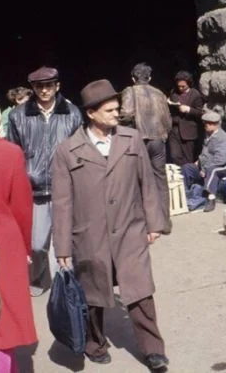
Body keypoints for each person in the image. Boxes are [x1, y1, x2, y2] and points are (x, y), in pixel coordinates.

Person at [51, 79, 169, 370]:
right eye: (110, 110)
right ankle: (95, 343)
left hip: (130, 229)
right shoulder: (68, 151)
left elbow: (148, 185)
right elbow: (62, 203)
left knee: (140, 291)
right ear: (91, 113)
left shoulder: (131, 139)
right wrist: (62, 246)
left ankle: (153, 350)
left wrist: (155, 222)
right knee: (93, 295)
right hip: (89, 235)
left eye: (117, 109)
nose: (118, 114)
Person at [7, 67, 83, 297]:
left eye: (49, 85)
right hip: (34, 188)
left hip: (65, 187)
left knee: (66, 242)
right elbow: (14, 152)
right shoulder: (18, 116)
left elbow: (80, 150)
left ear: (57, 86)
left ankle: (66, 287)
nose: (44, 90)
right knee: (38, 244)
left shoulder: (72, 113)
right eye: (39, 86)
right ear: (33, 88)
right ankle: (38, 274)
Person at [0, 136, 37, 371]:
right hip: (3, 245)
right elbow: (22, 206)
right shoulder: (9, 153)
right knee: (2, 323)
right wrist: (25, 248)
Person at [120, 63, 173, 234]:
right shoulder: (160, 93)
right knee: (160, 180)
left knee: (136, 180)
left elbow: (126, 113)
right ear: (149, 78)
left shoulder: (130, 91)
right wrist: (163, 135)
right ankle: (165, 223)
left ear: (133, 78)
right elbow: (168, 120)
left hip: (139, 138)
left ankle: (144, 223)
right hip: (159, 139)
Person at [181, 111, 226, 213]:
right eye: (205, 122)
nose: (206, 125)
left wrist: (205, 169)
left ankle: (211, 198)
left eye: (209, 123)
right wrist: (199, 163)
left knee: (212, 170)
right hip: (206, 166)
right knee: (187, 168)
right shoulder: (208, 135)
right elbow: (205, 153)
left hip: (224, 166)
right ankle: (186, 195)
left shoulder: (223, 138)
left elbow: (220, 160)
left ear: (216, 124)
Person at [167, 71, 204, 166]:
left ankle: (188, 176)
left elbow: (200, 113)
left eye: (183, 86)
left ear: (189, 84)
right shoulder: (173, 92)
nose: (180, 88)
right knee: (174, 155)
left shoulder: (195, 94)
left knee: (188, 157)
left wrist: (189, 110)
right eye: (179, 86)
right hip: (174, 130)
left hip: (188, 131)